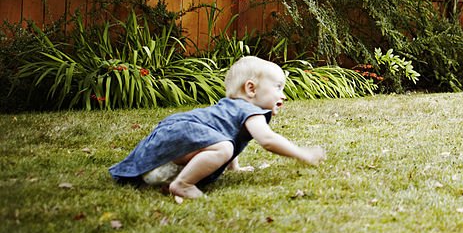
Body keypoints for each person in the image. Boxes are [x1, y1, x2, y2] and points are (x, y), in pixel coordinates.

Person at [109, 56, 325, 198]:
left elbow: (228, 134)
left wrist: (235, 167)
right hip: (180, 133)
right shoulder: (251, 111)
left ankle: (166, 176)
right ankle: (182, 184)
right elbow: (268, 140)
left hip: (169, 139)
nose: (283, 94)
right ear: (251, 88)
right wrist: (302, 154)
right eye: (278, 87)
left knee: (224, 144)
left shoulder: (232, 108)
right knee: (223, 147)